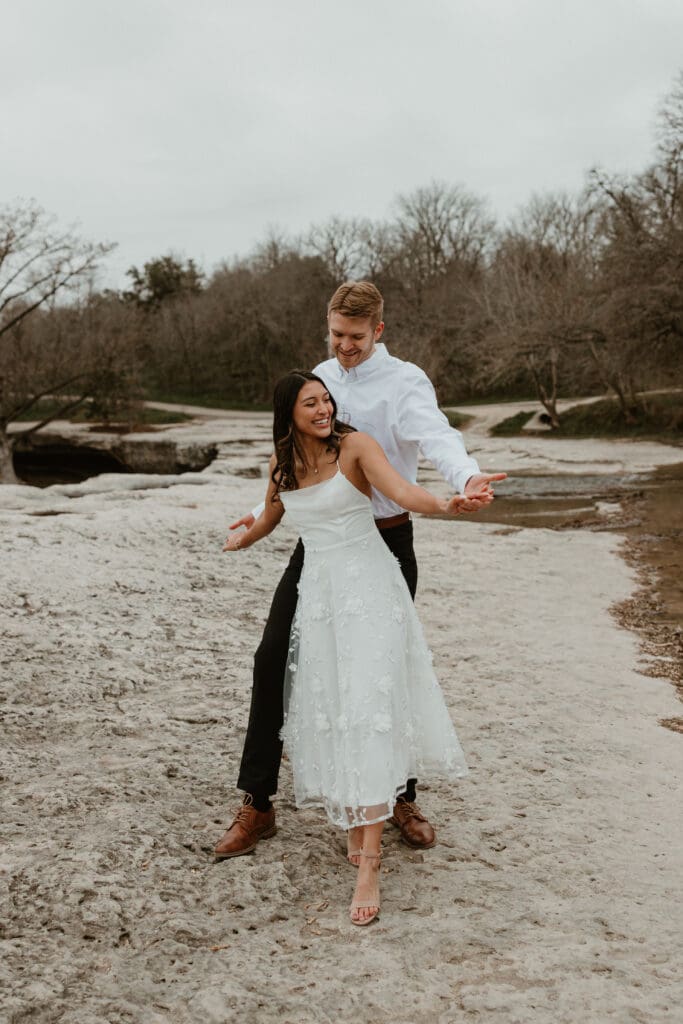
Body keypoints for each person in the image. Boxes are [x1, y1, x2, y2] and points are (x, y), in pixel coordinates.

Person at [215, 281, 505, 861]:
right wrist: (253, 515)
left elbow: (436, 436)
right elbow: (295, 465)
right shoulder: (319, 379)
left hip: (386, 543)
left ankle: (399, 796)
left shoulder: (405, 381)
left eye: (355, 337)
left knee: (382, 672)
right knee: (272, 658)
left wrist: (464, 479)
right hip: (321, 546)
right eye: (336, 335)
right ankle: (258, 802)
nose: (344, 347)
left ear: (379, 330)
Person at [223, 371, 471, 924]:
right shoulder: (282, 465)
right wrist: (246, 535)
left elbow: (403, 492)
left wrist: (448, 504)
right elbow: (274, 515)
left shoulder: (355, 447)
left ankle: (370, 867)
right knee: (337, 711)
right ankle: (359, 815)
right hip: (322, 600)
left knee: (367, 714)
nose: (324, 408)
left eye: (326, 399)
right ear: (288, 413)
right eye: (311, 403)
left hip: (371, 591)